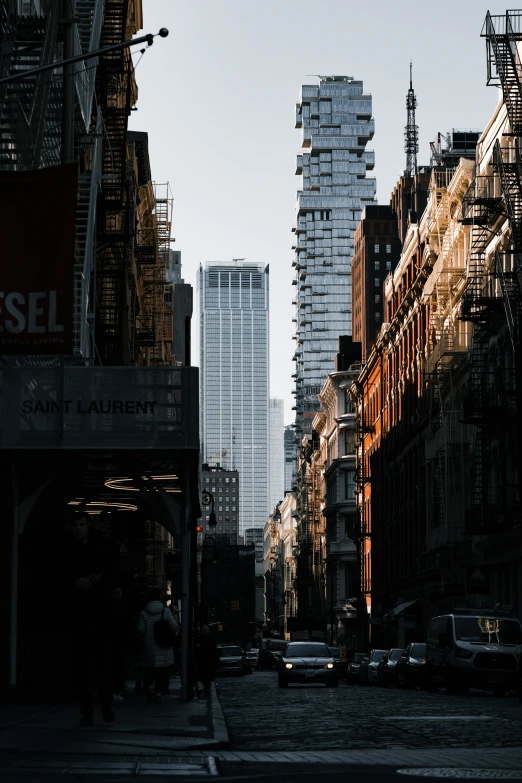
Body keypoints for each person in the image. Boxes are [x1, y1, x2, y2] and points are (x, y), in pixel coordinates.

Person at [65, 514, 119, 727]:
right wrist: (75, 582)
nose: (78, 529)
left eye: (81, 525)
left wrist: (100, 581)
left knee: (101, 664)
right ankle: (88, 708)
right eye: (75, 525)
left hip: (98, 612)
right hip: (80, 613)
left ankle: (104, 706)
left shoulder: (102, 548)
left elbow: (113, 575)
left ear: (88, 526)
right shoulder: (69, 550)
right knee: (82, 665)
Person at [137, 588, 177, 702]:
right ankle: (159, 690)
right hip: (164, 644)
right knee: (162, 670)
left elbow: (140, 629)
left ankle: (149, 686)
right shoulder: (165, 611)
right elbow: (173, 626)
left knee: (150, 668)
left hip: (149, 645)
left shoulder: (144, 613)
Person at [195, 626, 218, 697]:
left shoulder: (198, 641)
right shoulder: (211, 641)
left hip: (203, 662)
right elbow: (214, 653)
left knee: (203, 676)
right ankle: (206, 688)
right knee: (206, 677)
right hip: (207, 663)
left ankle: (206, 688)